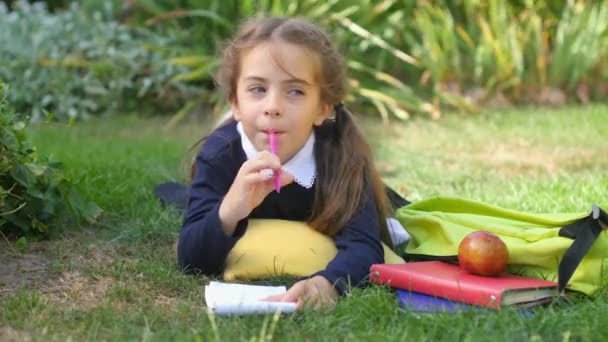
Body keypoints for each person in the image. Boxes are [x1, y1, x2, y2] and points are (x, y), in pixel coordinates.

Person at [177, 17, 408, 310]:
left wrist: (329, 283)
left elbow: (364, 247)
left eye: (295, 91)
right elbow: (190, 258)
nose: (272, 107)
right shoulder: (220, 154)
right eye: (258, 89)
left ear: (323, 107)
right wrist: (229, 210)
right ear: (235, 102)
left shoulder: (342, 159)